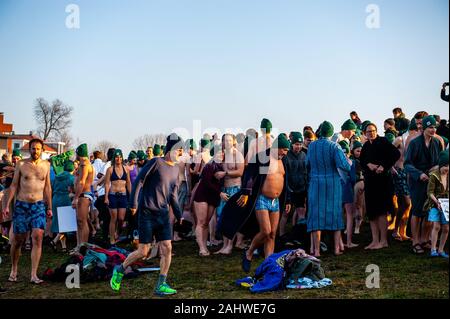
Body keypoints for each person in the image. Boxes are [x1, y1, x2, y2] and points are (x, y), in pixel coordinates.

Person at [110, 133, 184, 296]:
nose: (180, 153)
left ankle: (161, 284)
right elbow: (139, 181)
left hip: (163, 214)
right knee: (143, 251)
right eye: (179, 149)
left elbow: (173, 195)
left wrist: (179, 215)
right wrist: (133, 204)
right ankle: (120, 269)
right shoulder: (156, 162)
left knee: (167, 247)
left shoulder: (176, 169)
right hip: (147, 212)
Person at [239, 134, 291, 272]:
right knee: (265, 231)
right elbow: (250, 175)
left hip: (276, 201)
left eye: (286, 150)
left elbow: (286, 181)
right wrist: (245, 192)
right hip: (262, 198)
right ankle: (249, 252)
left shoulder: (283, 161)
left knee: (273, 234)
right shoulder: (263, 157)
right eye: (283, 150)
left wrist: (288, 199)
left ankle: (269, 264)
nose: (285, 153)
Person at [3, 139, 52, 284]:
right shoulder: (21, 164)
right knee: (18, 240)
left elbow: (47, 187)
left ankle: (33, 275)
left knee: (38, 237)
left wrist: (49, 207)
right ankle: (14, 269)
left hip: (38, 205)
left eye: (38, 149)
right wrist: (6, 205)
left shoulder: (46, 165)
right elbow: (13, 186)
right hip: (22, 205)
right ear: (29, 149)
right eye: (32, 148)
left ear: (42, 150)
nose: (35, 151)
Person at [306, 122, 351, 257]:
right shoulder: (334, 146)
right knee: (335, 214)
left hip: (315, 183)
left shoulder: (311, 146)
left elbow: (306, 163)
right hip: (332, 183)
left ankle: (316, 251)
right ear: (331, 133)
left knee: (315, 216)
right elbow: (344, 165)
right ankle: (337, 249)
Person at [405, 115, 444, 254]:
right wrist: (418, 174)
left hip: (432, 180)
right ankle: (415, 241)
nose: (433, 130)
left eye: (434, 127)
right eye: (430, 127)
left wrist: (438, 167)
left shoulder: (437, 142)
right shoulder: (415, 143)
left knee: (429, 211)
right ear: (423, 128)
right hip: (417, 181)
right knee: (416, 211)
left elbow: (441, 160)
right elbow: (407, 163)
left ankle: (424, 239)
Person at [360, 123, 400, 250]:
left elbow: (395, 154)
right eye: (368, 131)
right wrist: (368, 164)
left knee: (382, 211)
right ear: (365, 133)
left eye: (373, 131)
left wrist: (383, 166)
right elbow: (361, 161)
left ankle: (383, 241)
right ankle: (374, 240)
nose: (371, 133)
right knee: (372, 212)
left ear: (377, 131)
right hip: (370, 182)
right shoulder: (366, 145)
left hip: (382, 182)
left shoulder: (383, 141)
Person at [214, 134, 245, 255]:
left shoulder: (237, 154)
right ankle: (224, 245)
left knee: (231, 218)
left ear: (233, 142)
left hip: (235, 188)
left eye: (229, 140)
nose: (227, 142)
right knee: (222, 217)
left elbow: (240, 172)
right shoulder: (221, 155)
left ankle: (230, 246)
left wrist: (225, 173)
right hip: (224, 189)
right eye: (225, 140)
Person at [192, 145, 224, 256]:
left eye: (222, 153)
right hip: (202, 195)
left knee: (206, 223)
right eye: (219, 153)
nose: (221, 155)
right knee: (201, 222)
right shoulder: (209, 165)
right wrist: (220, 193)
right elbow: (206, 182)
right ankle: (201, 248)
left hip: (212, 197)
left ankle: (205, 245)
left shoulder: (222, 167)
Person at [280, 132, 307, 237]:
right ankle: (281, 234)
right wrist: (287, 188)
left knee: (301, 212)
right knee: (286, 213)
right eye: (296, 144)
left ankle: (299, 233)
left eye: (300, 144)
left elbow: (306, 172)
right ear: (292, 144)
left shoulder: (304, 155)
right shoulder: (286, 156)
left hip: (301, 188)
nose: (298, 146)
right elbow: (284, 174)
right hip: (289, 189)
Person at [104, 149, 131, 246]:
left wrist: (131, 195)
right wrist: (106, 197)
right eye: (116, 157)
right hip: (113, 195)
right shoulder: (110, 169)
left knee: (121, 218)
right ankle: (111, 238)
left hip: (123, 195)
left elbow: (128, 183)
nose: (118, 159)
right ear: (114, 158)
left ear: (122, 158)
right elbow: (107, 184)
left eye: (120, 157)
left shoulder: (126, 169)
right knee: (113, 218)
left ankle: (117, 233)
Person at [425, 150, 449, 258]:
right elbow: (430, 192)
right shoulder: (434, 176)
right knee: (436, 226)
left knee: (446, 228)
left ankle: (441, 249)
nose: (447, 169)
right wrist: (437, 202)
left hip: (446, 204)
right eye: (446, 166)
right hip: (435, 203)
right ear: (441, 164)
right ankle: (433, 249)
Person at [391, 130, 413, 242]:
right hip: (398, 172)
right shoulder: (399, 140)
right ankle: (396, 230)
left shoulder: (415, 140)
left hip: (410, 173)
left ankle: (401, 231)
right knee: (406, 202)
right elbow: (387, 153)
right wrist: (391, 167)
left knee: (405, 205)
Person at [50, 160, 75, 252]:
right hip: (65, 199)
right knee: (66, 224)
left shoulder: (56, 177)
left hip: (55, 199)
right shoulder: (71, 178)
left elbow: (51, 188)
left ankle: (64, 247)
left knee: (59, 224)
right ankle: (54, 241)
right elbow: (74, 190)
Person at [72, 143, 95, 247]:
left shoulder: (85, 164)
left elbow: (82, 182)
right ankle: (79, 245)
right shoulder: (83, 164)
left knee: (82, 221)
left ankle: (83, 246)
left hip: (84, 195)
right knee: (80, 222)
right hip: (82, 195)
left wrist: (76, 198)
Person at [338, 140, 358, 248]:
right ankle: (349, 242)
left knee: (338, 216)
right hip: (347, 189)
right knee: (350, 216)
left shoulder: (335, 162)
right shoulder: (351, 162)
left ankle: (339, 242)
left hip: (336, 190)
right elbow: (354, 179)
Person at [351, 141, 365, 234]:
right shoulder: (350, 161)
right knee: (351, 206)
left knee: (359, 206)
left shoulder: (365, 160)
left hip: (360, 184)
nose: (359, 153)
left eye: (361, 151)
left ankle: (357, 226)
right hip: (351, 185)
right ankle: (351, 225)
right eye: (357, 151)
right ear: (353, 151)